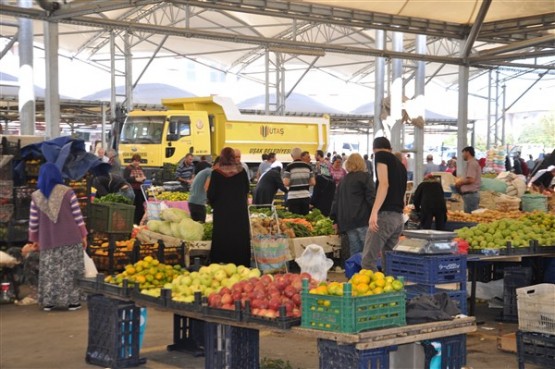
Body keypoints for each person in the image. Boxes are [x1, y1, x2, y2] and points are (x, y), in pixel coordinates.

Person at [28, 163, 88, 311]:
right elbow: (77, 216)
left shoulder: (36, 196)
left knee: (50, 270)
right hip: (70, 238)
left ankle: (49, 302)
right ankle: (73, 302)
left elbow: (33, 221)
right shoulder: (68, 192)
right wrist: (83, 234)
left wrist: (34, 239)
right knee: (70, 270)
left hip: (48, 239)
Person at [361, 137, 407, 272]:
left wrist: (374, 212)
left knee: (368, 261)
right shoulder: (401, 166)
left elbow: (384, 184)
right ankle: (392, 290)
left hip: (385, 215)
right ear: (390, 148)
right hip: (398, 218)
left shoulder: (381, 156)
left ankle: (376, 292)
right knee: (390, 261)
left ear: (374, 150)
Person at [207, 147, 250, 266]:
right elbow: (246, 189)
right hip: (239, 211)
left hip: (222, 212)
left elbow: (211, 194)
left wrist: (215, 204)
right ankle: (241, 263)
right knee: (239, 236)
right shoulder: (242, 172)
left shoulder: (216, 173)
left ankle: (221, 261)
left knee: (222, 236)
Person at [330, 153, 375, 257]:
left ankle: (356, 272)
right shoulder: (365, 177)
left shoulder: (343, 181)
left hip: (347, 222)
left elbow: (336, 201)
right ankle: (367, 272)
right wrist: (377, 213)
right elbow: (371, 198)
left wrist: (334, 219)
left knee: (355, 252)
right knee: (367, 251)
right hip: (362, 219)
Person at [283, 147, 315, 215]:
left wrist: (293, 183)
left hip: (293, 197)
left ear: (292, 156)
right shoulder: (308, 167)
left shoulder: (289, 167)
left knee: (295, 221)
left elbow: (286, 183)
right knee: (305, 220)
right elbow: (313, 182)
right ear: (301, 155)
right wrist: (305, 183)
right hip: (305, 196)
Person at [188, 157, 218, 223]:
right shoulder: (211, 172)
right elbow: (206, 187)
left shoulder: (205, 171)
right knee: (201, 226)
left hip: (191, 201)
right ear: (218, 165)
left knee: (195, 226)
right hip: (199, 203)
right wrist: (212, 201)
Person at [455, 146, 482, 213]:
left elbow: (471, 179)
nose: (462, 155)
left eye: (463, 153)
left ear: (467, 152)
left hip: (470, 196)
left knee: (470, 218)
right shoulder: (471, 163)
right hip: (469, 196)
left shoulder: (472, 163)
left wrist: (459, 183)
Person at [124, 154, 147, 224]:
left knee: (140, 206)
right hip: (132, 190)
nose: (137, 163)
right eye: (135, 161)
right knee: (133, 205)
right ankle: (132, 221)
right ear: (132, 161)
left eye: (138, 161)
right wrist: (135, 179)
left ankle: (139, 222)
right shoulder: (128, 168)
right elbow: (126, 179)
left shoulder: (140, 168)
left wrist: (143, 179)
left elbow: (143, 177)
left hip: (140, 190)